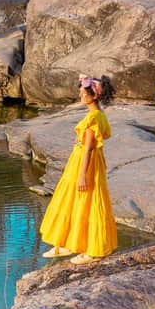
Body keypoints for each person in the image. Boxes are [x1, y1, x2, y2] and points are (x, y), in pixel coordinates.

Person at [39, 74, 117, 265]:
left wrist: (82, 175)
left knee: (87, 201)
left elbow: (89, 148)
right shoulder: (96, 115)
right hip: (81, 161)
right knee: (73, 200)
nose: (80, 95)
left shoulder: (94, 117)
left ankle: (93, 250)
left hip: (85, 164)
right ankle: (68, 242)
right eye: (81, 92)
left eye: (83, 92)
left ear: (95, 96)